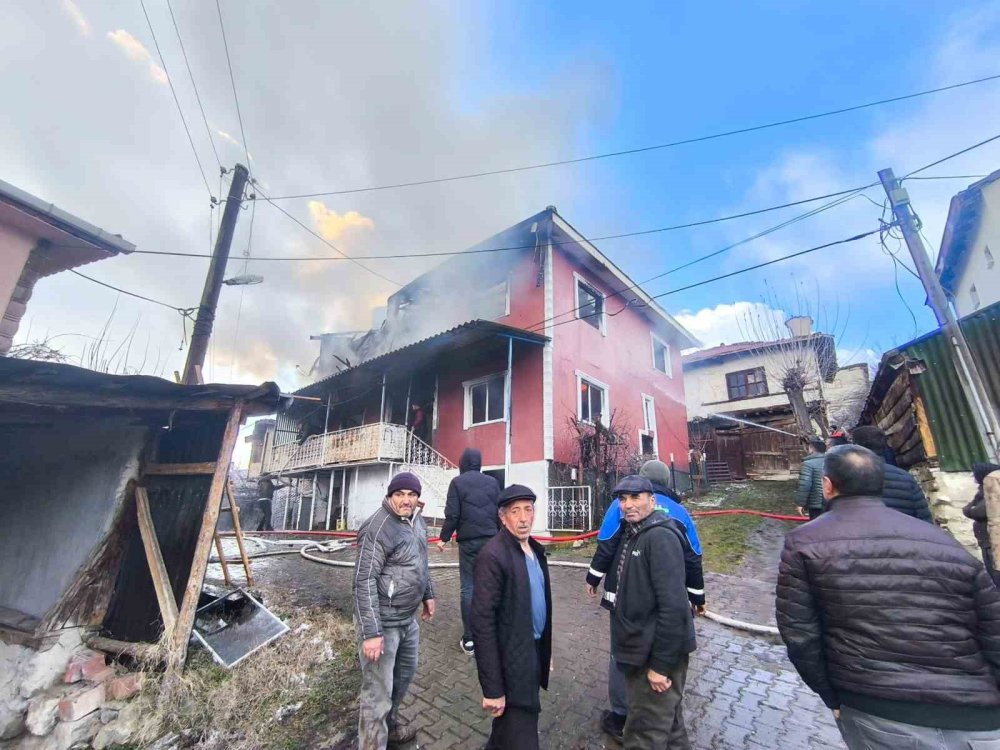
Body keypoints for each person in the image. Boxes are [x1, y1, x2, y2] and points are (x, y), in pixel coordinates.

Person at [776, 445, 1000, 749]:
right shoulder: (947, 544)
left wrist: (829, 692)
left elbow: (799, 633)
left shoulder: (805, 543)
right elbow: (993, 630)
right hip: (979, 717)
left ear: (827, 486)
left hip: (875, 708)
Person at [585, 462, 705, 741]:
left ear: (649, 494)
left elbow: (606, 543)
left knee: (621, 653)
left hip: (633, 605)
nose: (627, 505)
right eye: (623, 499)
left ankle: (621, 713)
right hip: (651, 603)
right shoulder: (679, 512)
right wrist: (698, 596)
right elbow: (694, 554)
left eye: (634, 497)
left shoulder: (644, 525)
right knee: (670, 724)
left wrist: (593, 578)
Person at [353, 471, 436, 749]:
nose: (406, 500)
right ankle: (372, 744)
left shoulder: (417, 521)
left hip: (407, 619)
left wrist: (428, 594)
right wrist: (372, 633)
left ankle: (392, 727)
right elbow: (364, 581)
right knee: (378, 694)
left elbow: (421, 560)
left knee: (402, 679)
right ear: (390, 496)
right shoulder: (377, 527)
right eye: (400, 494)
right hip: (383, 625)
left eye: (411, 495)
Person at [471, 485, 552, 750]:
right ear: (502, 517)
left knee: (507, 731)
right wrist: (492, 688)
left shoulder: (535, 551)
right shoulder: (493, 556)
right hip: (512, 659)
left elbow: (539, 606)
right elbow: (482, 623)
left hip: (532, 651)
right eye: (515, 511)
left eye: (528, 510)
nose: (523, 518)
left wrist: (545, 652)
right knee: (522, 731)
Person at [436, 448, 500, 655]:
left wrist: (444, 538)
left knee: (469, 588)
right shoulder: (492, 482)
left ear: (462, 462)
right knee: (490, 585)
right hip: (491, 540)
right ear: (479, 463)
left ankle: (470, 640)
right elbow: (500, 513)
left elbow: (452, 515)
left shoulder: (457, 483)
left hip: (469, 544)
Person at [851, 425, 933, 521]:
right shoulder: (906, 478)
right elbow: (924, 518)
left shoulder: (848, 478)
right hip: (904, 533)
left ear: (856, 446)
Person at [964, 463, 1000, 586]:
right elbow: (968, 508)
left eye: (975, 476)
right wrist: (971, 509)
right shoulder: (981, 491)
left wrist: (971, 510)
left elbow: (980, 511)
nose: (974, 479)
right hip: (986, 541)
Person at [795, 438, 826, 520]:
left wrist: (800, 503)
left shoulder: (808, 464)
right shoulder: (832, 461)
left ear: (812, 449)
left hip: (816, 504)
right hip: (832, 502)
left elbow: (805, 484)